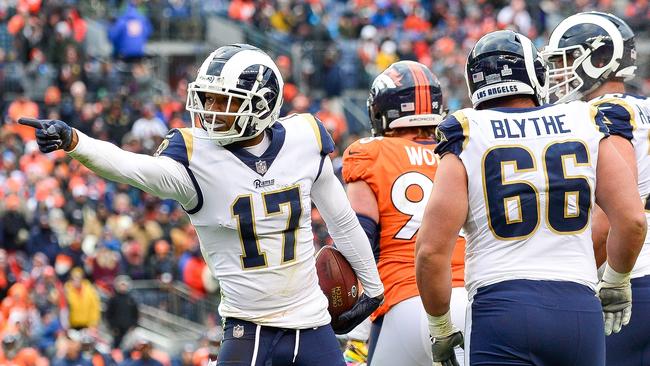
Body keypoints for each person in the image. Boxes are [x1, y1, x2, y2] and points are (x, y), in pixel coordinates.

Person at [19, 43, 384, 366]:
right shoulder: (195, 157)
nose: (209, 109)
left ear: (261, 104)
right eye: (207, 97)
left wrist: (373, 286)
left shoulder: (305, 138)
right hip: (249, 325)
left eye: (223, 100)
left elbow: (342, 221)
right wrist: (74, 140)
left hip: (313, 321)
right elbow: (131, 167)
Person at [414, 30, 647, 366]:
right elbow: (632, 219)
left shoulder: (467, 131)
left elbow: (432, 252)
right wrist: (616, 280)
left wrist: (440, 327)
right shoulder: (584, 119)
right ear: (535, 75)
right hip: (578, 310)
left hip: (501, 308)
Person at [341, 60, 466, 366]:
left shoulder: (370, 152)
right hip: (472, 298)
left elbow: (360, 244)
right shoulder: (465, 150)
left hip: (405, 302)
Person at [543, 12, 650, 366]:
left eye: (567, 59)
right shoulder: (642, 108)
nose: (558, 72)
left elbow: (615, 215)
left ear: (600, 59)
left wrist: (569, 283)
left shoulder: (603, 113)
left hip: (635, 275)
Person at [105, 275, 139, 349]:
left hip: (128, 329)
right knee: (116, 347)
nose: (123, 287)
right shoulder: (113, 299)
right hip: (117, 330)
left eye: (124, 285)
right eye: (121, 285)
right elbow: (109, 314)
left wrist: (134, 325)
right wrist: (112, 327)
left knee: (129, 347)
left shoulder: (131, 299)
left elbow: (135, 313)